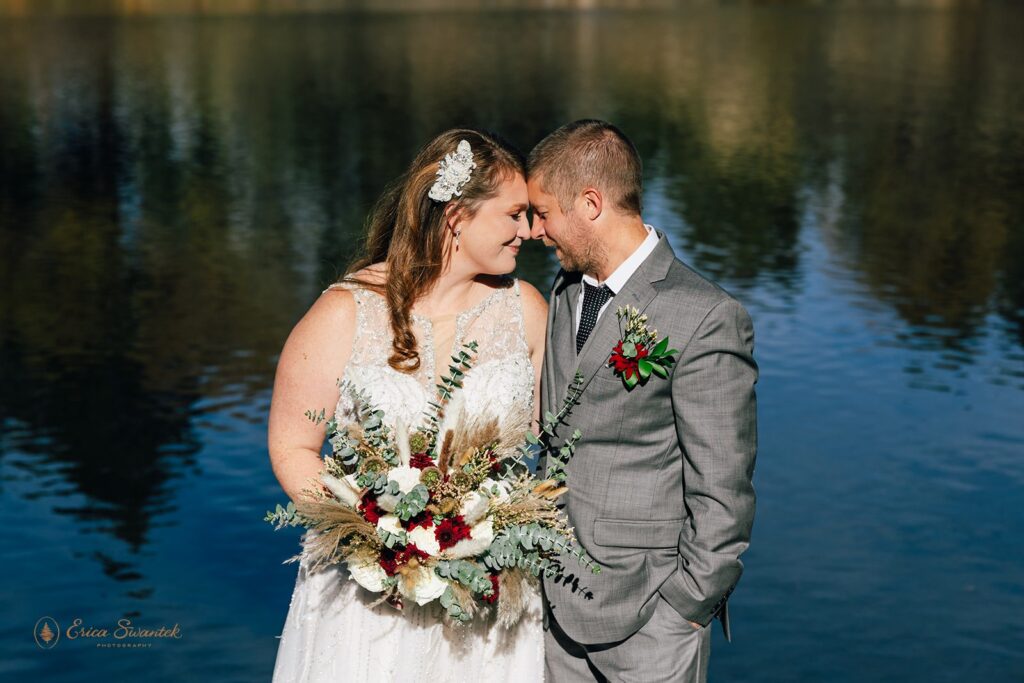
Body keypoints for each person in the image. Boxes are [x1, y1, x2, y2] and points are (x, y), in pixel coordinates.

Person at [268, 128, 548, 682]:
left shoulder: (527, 311)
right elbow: (292, 444)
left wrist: (483, 537)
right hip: (365, 599)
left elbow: (540, 452)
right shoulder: (344, 312)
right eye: (515, 214)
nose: (530, 231)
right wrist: (372, 537)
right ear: (457, 217)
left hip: (489, 598)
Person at [529, 119, 758, 682]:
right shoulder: (562, 292)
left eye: (543, 213)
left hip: (649, 617)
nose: (535, 230)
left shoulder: (705, 316)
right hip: (549, 604)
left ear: (590, 203)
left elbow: (723, 487)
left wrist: (685, 606)